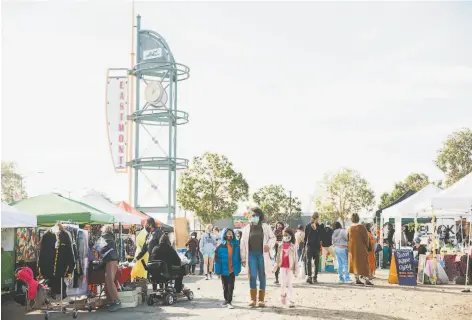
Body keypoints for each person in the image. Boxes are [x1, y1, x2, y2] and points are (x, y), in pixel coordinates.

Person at [240, 207, 276, 307]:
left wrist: (268, 245)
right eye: (252, 215)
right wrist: (243, 258)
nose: (254, 217)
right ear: (249, 216)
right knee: (252, 276)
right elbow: (242, 244)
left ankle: (261, 300)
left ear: (260, 216)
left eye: (256, 215)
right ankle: (252, 299)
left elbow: (273, 238)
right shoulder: (246, 229)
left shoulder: (265, 227)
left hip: (262, 255)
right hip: (251, 255)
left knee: (262, 275)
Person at [214, 228, 242, 309]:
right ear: (225, 235)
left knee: (231, 286)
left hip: (232, 269)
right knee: (225, 286)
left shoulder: (236, 244)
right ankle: (226, 300)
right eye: (228, 233)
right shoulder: (220, 246)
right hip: (223, 269)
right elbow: (217, 259)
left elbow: (240, 256)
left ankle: (229, 301)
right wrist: (218, 272)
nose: (229, 235)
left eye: (231, 233)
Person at [133, 217, 163, 291]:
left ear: (150, 224)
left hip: (159, 259)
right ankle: (155, 292)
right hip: (151, 260)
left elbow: (164, 245)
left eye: (146, 224)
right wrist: (137, 258)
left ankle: (163, 291)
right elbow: (144, 249)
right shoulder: (148, 235)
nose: (144, 226)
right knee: (152, 277)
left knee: (160, 277)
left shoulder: (159, 233)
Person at [273, 228, 299, 308]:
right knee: (283, 283)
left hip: (290, 268)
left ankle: (290, 299)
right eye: (284, 235)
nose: (285, 236)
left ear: (291, 236)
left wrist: (296, 269)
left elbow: (295, 258)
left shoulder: (293, 246)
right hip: (282, 267)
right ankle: (283, 295)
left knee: (289, 283)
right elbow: (277, 256)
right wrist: (276, 265)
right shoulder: (280, 245)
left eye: (287, 235)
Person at [98, 225, 121, 312]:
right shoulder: (111, 237)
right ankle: (113, 300)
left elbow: (98, 248)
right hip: (113, 260)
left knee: (110, 282)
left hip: (110, 261)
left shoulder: (104, 237)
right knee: (110, 282)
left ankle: (117, 302)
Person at [348, 214, 373, 286]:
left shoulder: (350, 228)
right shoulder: (362, 227)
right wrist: (368, 247)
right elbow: (366, 238)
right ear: (358, 218)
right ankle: (366, 280)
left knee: (355, 263)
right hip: (362, 248)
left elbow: (348, 238)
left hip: (352, 249)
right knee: (364, 264)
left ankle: (357, 279)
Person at [303, 212, 324, 284]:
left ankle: (315, 277)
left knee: (316, 262)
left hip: (317, 246)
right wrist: (304, 247)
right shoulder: (308, 226)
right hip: (309, 246)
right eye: (314, 218)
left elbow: (322, 235)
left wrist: (318, 227)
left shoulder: (320, 226)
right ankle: (309, 276)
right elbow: (305, 237)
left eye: (316, 218)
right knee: (308, 261)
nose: (315, 219)